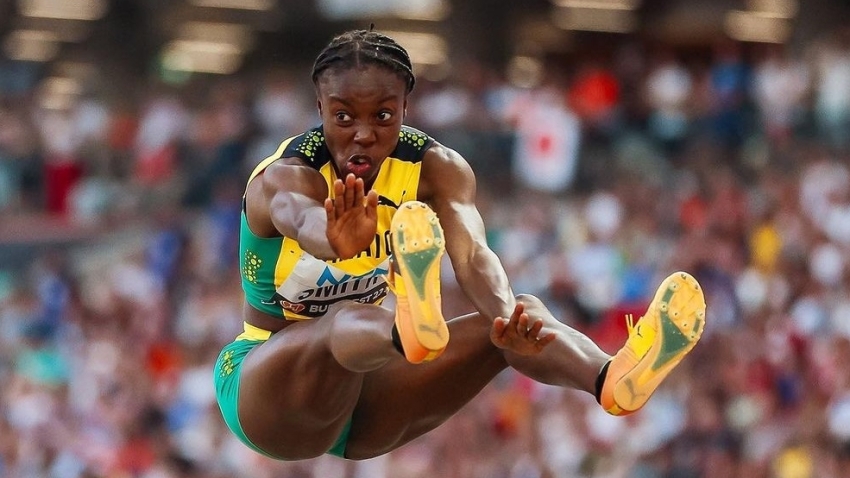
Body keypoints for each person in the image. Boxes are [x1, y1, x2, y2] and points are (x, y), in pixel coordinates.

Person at [213, 29, 707, 461]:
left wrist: (504, 317)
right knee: (339, 324)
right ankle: (409, 331)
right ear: (319, 109)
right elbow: (298, 219)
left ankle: (610, 379)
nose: (363, 134)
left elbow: (470, 253)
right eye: (343, 118)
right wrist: (330, 237)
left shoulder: (437, 168)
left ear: (406, 109)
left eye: (383, 116)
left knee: (519, 314)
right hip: (265, 394)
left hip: (366, 403)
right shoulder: (286, 177)